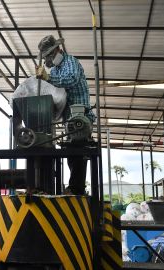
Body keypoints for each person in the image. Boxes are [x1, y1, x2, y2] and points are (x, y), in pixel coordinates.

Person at [36, 35, 95, 195]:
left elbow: (72, 79)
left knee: (77, 150)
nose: (48, 59)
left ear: (57, 49)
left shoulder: (71, 62)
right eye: (46, 56)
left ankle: (77, 189)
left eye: (49, 55)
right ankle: (62, 186)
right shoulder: (54, 70)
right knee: (70, 153)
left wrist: (48, 78)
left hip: (81, 118)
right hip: (68, 120)